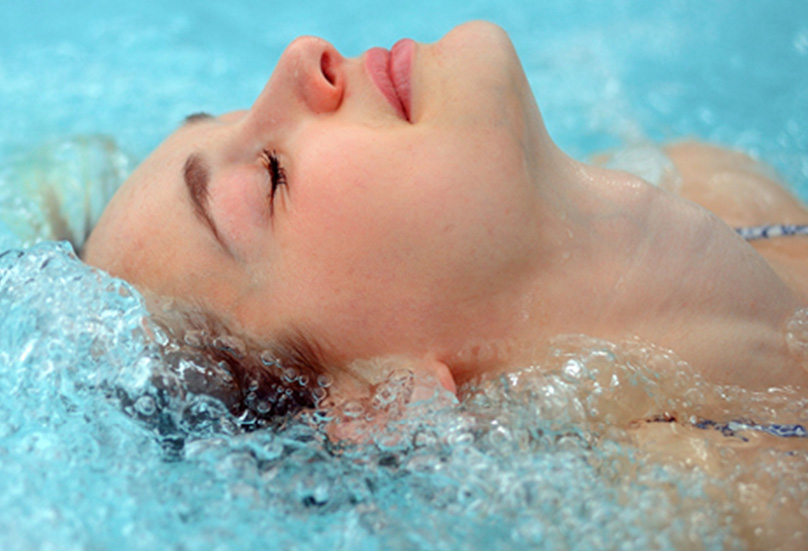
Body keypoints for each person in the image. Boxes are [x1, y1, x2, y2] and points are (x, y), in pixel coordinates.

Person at [82, 21, 808, 417]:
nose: (301, 55)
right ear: (384, 402)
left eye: (234, 110)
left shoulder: (719, 181)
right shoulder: (735, 511)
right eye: (270, 176)